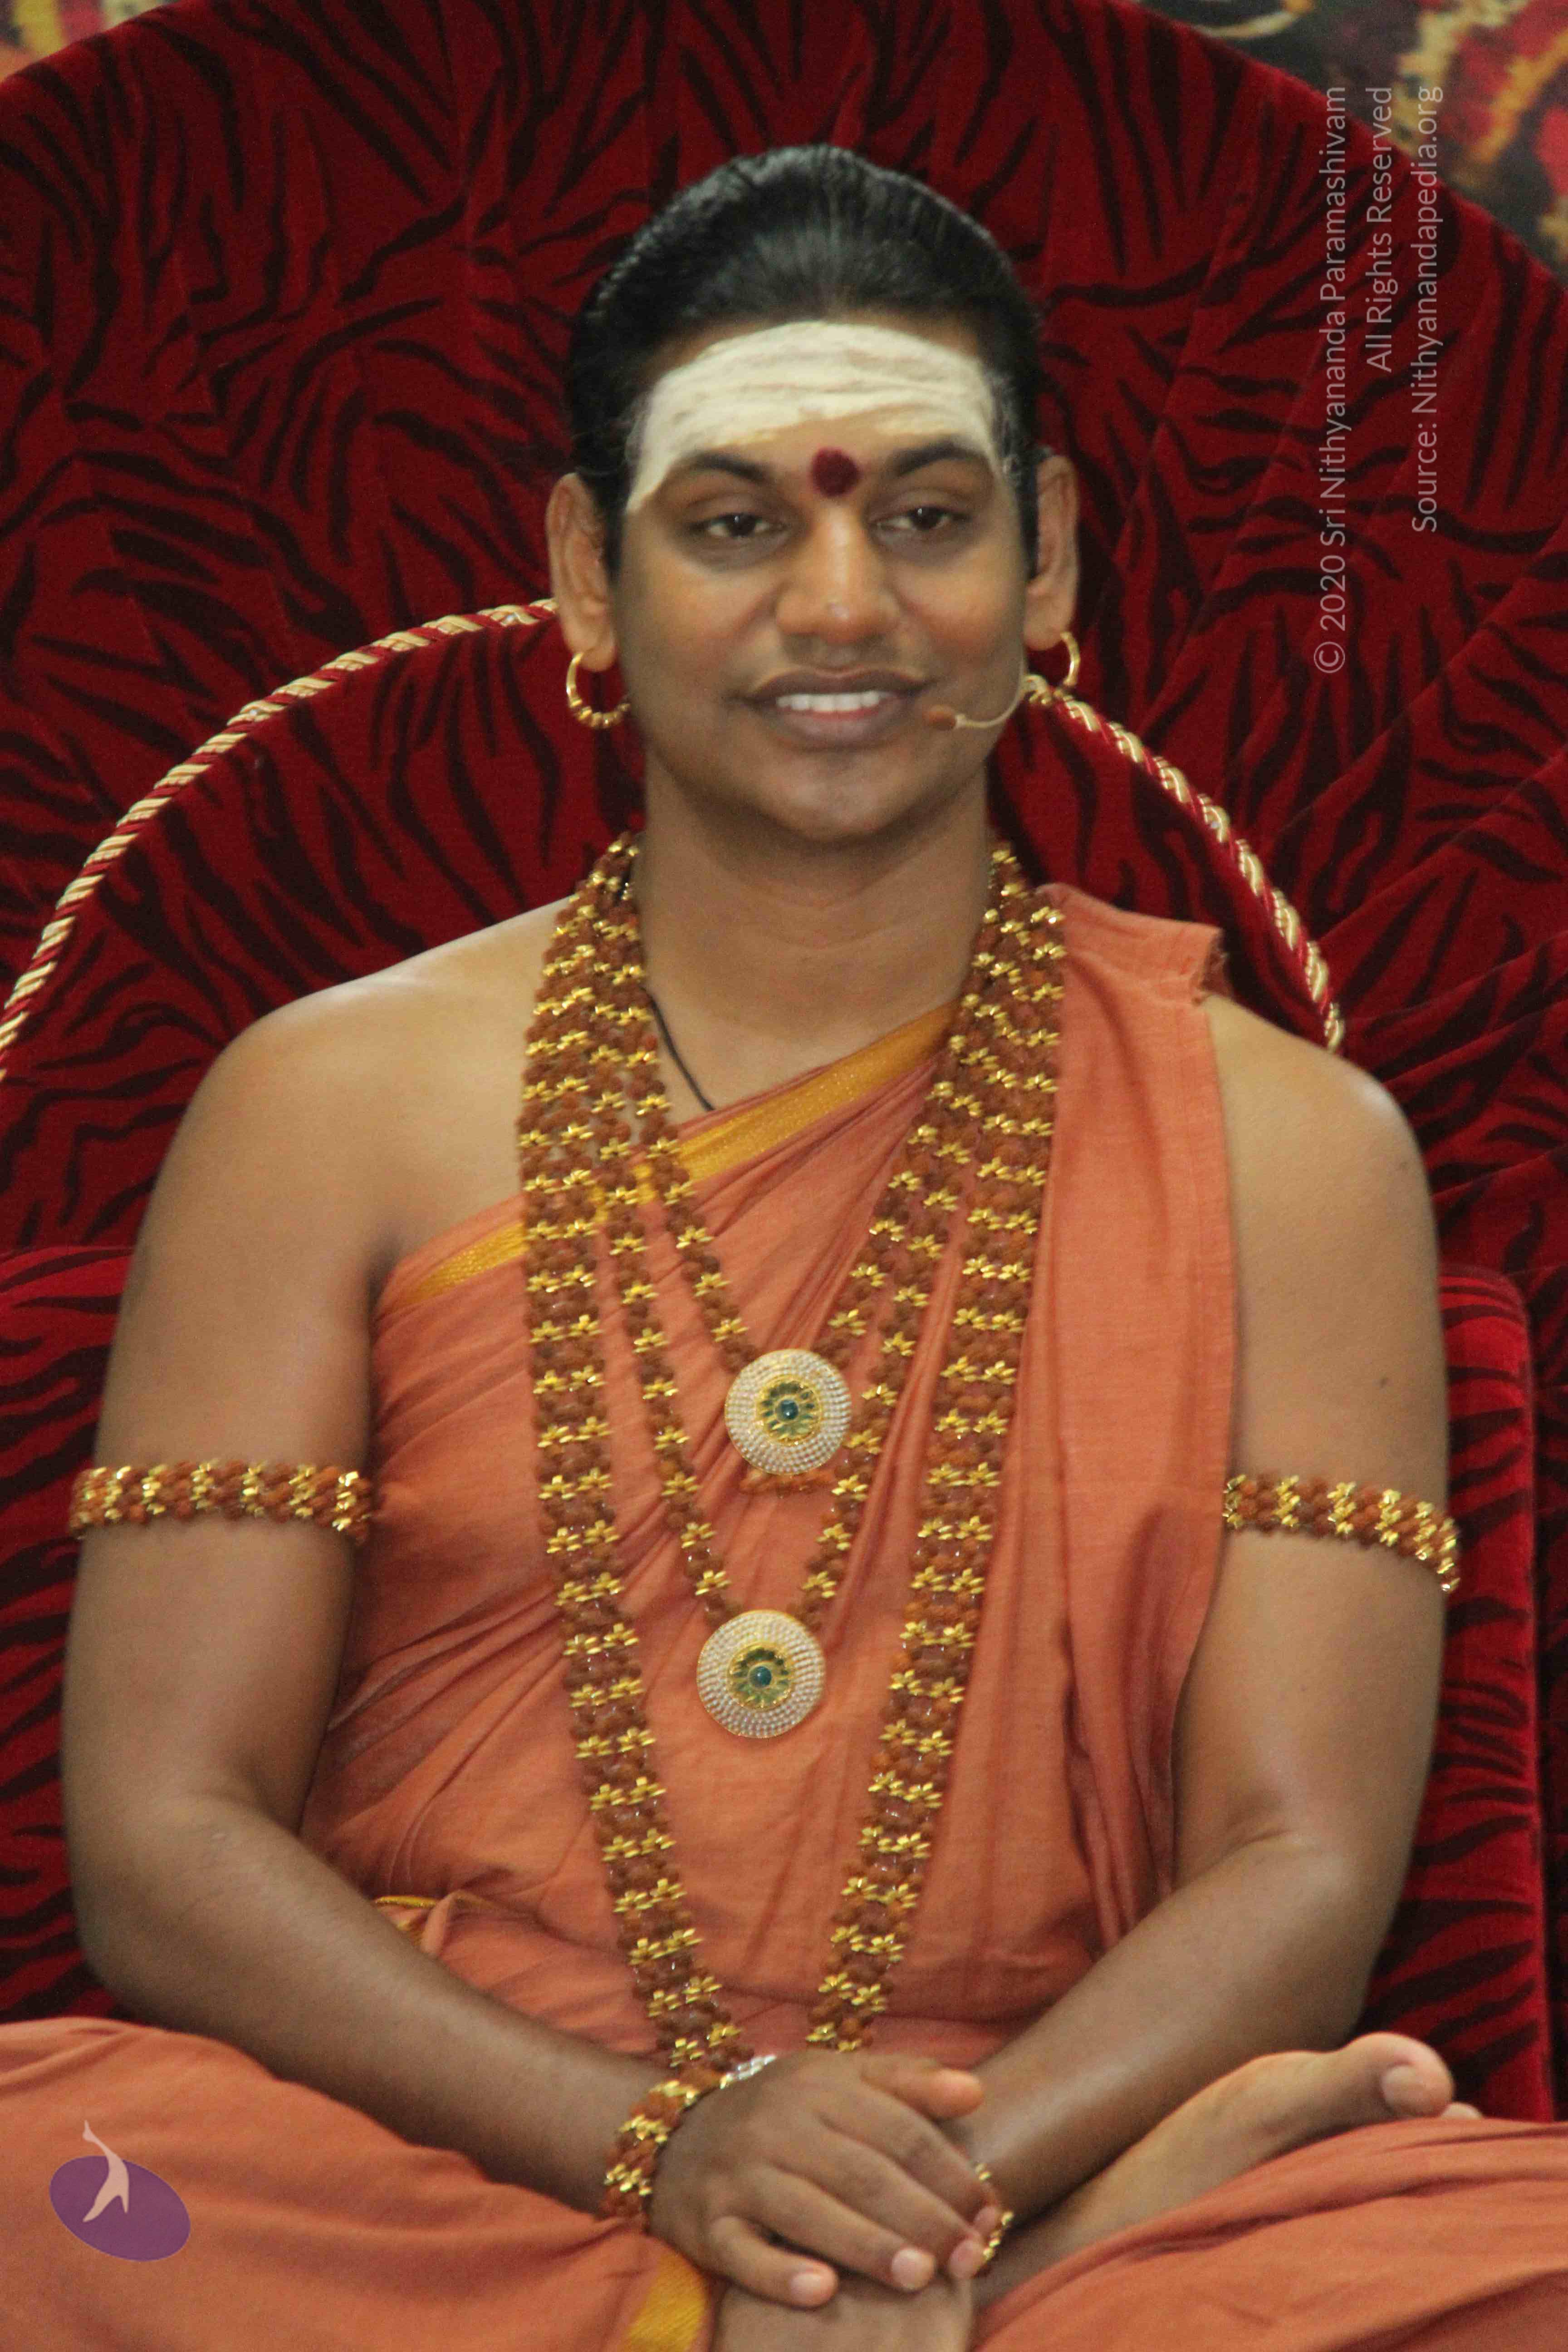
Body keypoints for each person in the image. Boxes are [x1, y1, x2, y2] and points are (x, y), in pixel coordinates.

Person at [2, 144, 1565, 2350]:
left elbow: (1297, 1866)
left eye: (926, 517)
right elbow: (170, 1842)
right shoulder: (328, 1102)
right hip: (454, 2160)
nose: (842, 609)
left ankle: (1024, 2259)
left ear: (1048, 560)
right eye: (737, 524)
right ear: (586, 572)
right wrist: (674, 2153)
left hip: (1029, 2115)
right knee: (49, 2191)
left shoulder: (1296, 1149)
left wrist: (922, 2207)